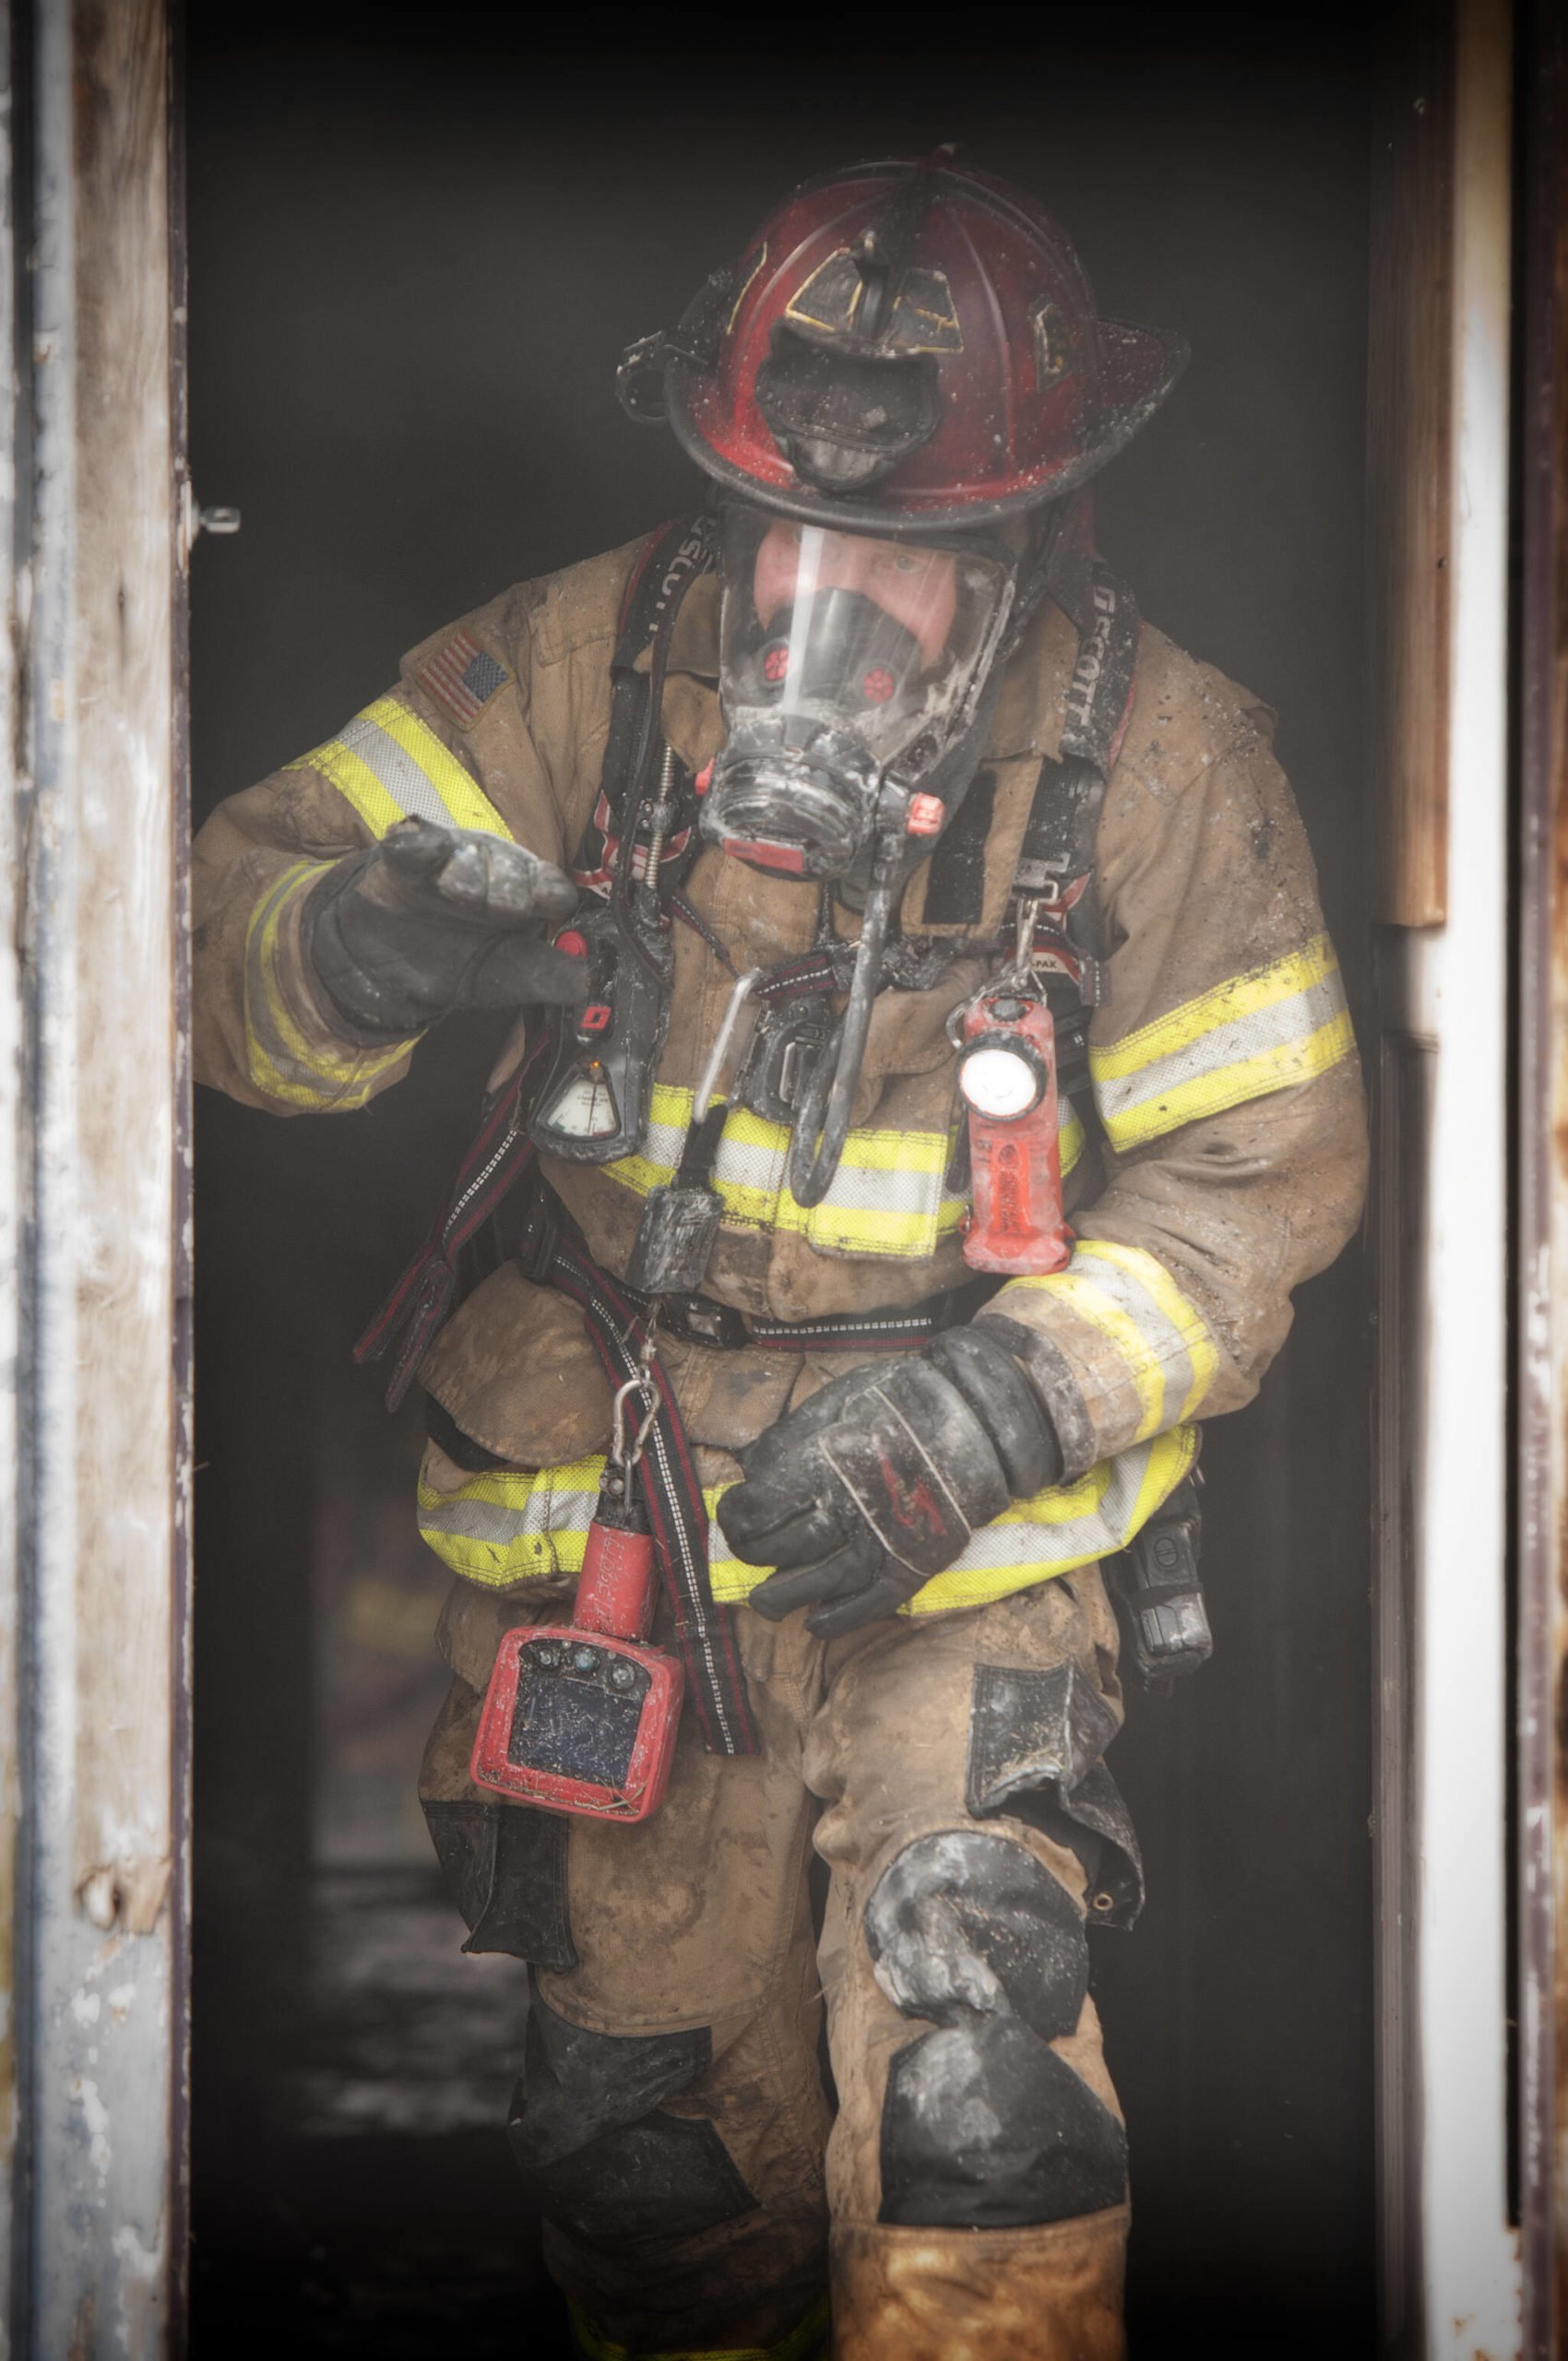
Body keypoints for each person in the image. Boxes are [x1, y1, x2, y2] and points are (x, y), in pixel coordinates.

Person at [192, 152, 1367, 2361]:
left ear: (1030, 520)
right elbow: (180, 947)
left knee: (978, 2078)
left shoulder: (1168, 760)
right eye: (782, 528)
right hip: (612, 1548)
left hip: (962, 1541)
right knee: (644, 2150)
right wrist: (351, 944)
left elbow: (1261, 1173)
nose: (827, 601)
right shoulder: (564, 665)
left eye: (912, 552)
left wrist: (1005, 1394)